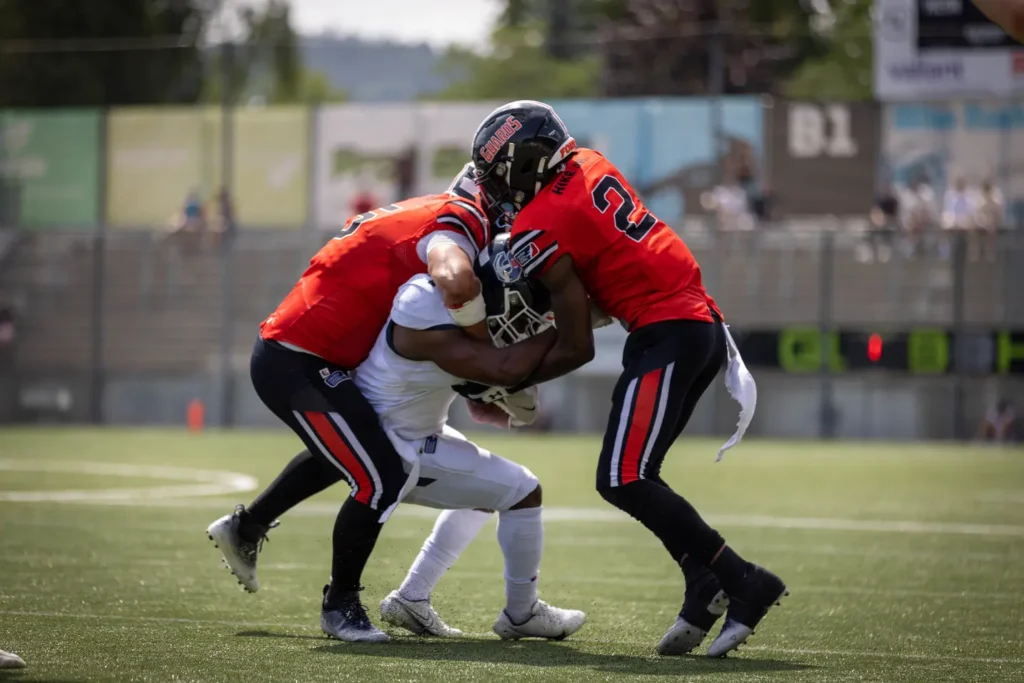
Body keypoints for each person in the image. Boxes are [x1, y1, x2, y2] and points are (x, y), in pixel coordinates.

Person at [468, 100, 777, 658]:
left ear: (524, 163)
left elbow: (577, 346)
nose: (497, 191)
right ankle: (702, 582)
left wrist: (509, 379)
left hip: (669, 329)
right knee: (636, 473)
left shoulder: (541, 222)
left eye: (499, 176)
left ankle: (743, 579)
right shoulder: (590, 161)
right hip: (693, 323)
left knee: (622, 476)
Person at [206, 179, 500, 643]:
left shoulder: (429, 210)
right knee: (381, 475)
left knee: (347, 453)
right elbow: (455, 282)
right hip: (297, 360)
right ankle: (339, 606)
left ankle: (246, 527)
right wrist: (488, 349)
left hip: (314, 354)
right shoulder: (459, 221)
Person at [355, 235, 585, 640]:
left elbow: (488, 405)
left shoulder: (457, 310)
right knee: (523, 491)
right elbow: (505, 370)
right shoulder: (426, 307)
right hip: (393, 446)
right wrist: (567, 326)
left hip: (406, 430)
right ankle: (522, 613)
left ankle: (412, 597)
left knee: (486, 489)